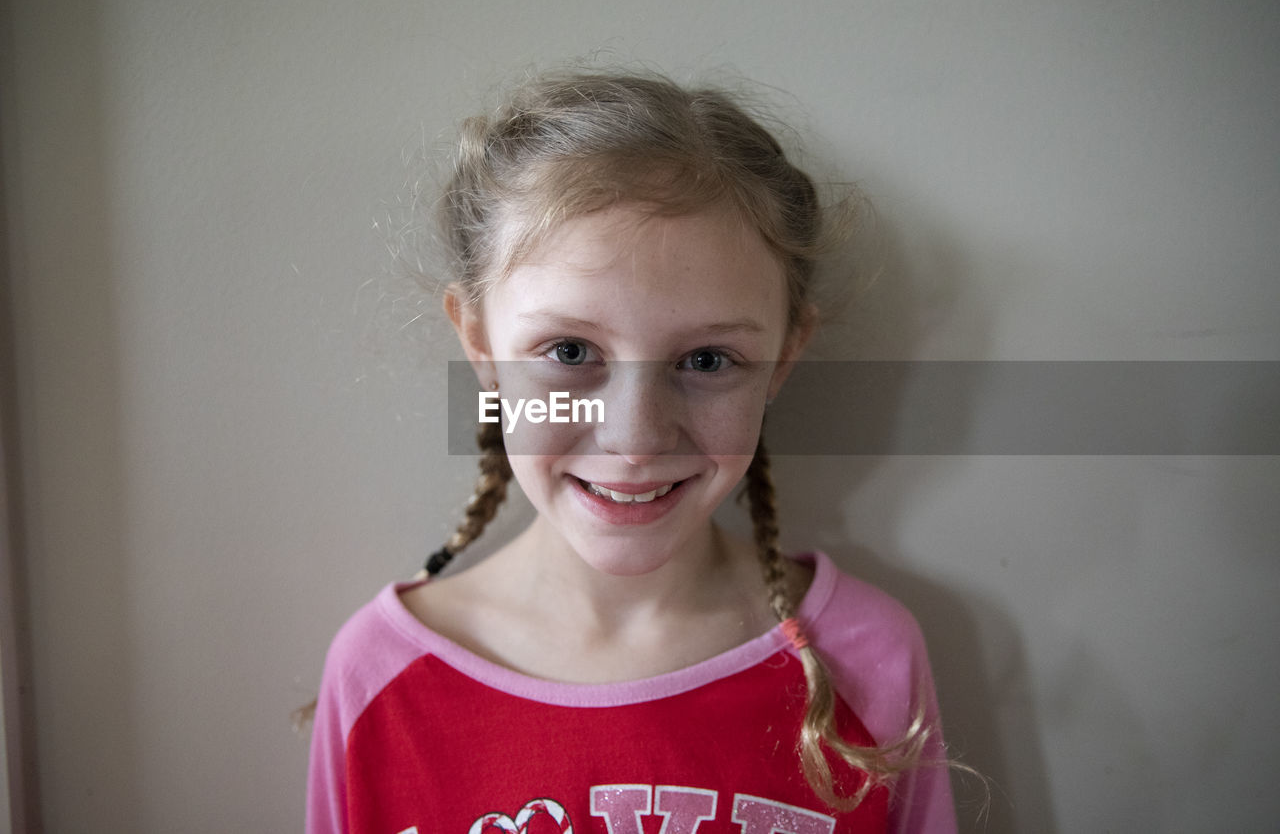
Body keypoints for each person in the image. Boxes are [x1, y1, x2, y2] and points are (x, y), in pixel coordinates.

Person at [306, 69, 958, 833]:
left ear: (784, 357)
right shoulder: (381, 678)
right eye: (571, 348)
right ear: (480, 345)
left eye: (708, 360)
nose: (636, 436)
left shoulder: (866, 656)